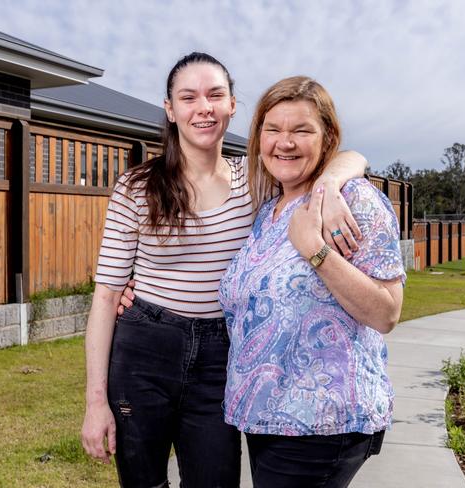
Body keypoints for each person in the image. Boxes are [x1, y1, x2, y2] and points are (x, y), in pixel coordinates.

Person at [81, 52, 367, 488]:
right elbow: (105, 297)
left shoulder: (257, 180)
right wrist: (95, 402)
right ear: (170, 109)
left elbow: (350, 156)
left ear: (233, 105)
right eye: (188, 97)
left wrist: (329, 183)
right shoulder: (136, 187)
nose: (204, 107)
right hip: (145, 351)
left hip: (223, 354)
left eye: (215, 95)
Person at [218, 76, 405, 488]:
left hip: (322, 423)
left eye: (301, 130)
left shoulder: (353, 199)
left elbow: (386, 312)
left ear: (327, 137)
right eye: (273, 129)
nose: (285, 142)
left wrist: (315, 251)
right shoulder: (268, 212)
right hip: (268, 421)